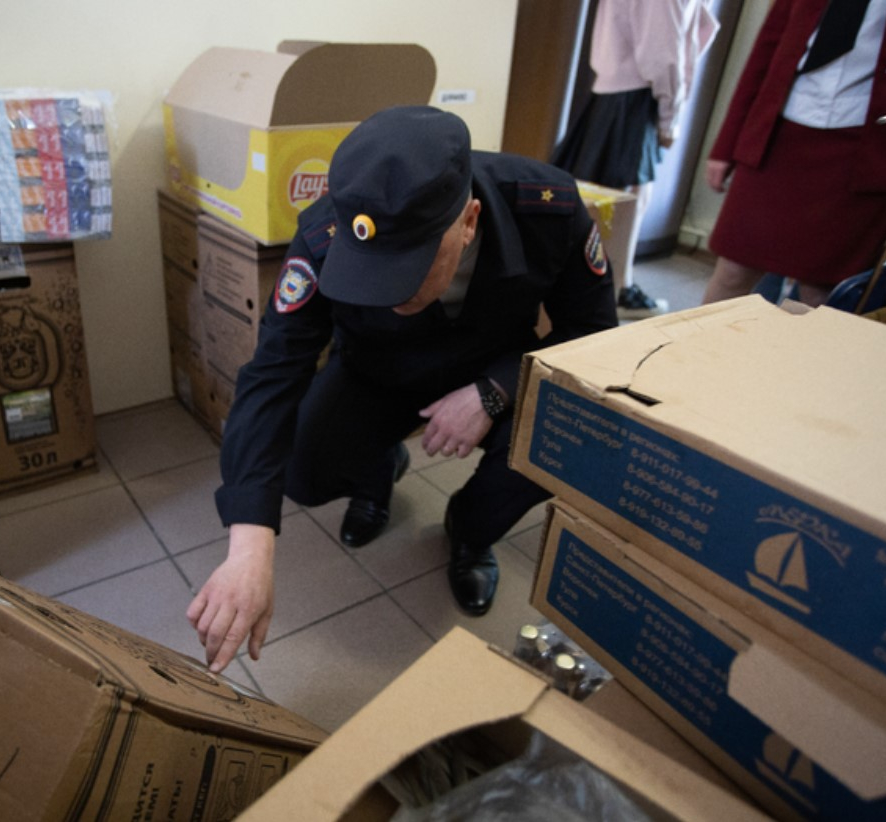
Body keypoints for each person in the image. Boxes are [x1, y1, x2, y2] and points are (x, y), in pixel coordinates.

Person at [187, 106, 618, 672]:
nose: (389, 291)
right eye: (370, 269)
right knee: (303, 467)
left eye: (409, 268)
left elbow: (594, 331)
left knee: (568, 442)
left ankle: (469, 530)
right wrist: (249, 546)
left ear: (468, 222)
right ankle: (378, 468)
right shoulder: (324, 231)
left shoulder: (548, 207)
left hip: (493, 365)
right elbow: (272, 373)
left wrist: (495, 390)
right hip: (379, 369)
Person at [700, 0, 886, 307]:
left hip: (869, 148)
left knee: (821, 292)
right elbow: (769, 43)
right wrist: (726, 144)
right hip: (779, 134)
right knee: (733, 271)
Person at [554, 0, 719, 319]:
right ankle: (614, 289)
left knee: (611, 198)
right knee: (624, 200)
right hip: (633, 92)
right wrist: (670, 117)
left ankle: (609, 286)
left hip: (617, 89)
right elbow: (663, 54)